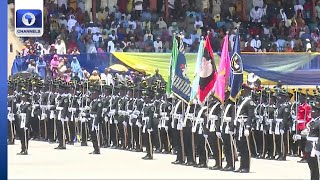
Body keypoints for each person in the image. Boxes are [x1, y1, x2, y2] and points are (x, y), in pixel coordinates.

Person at [305, 97, 320, 180]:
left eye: (313, 110)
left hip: (315, 147)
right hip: (309, 147)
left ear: (318, 112)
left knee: (317, 168)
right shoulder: (312, 121)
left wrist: (318, 148)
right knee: (312, 167)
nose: (311, 112)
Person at [16, 89, 32, 155]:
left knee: (25, 137)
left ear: (26, 97)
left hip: (24, 122)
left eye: (24, 96)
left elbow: (28, 116)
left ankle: (25, 150)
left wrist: (27, 124)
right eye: (22, 96)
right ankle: (22, 149)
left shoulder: (28, 105)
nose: (22, 97)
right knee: (21, 136)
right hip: (20, 122)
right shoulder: (21, 105)